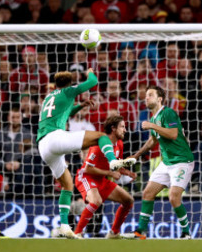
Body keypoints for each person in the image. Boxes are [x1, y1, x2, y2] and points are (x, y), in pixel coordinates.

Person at [37, 69, 135, 239]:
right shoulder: (68, 91)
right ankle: (113, 161)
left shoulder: (49, 97)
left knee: (67, 185)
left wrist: (79, 106)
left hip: (43, 145)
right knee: (101, 136)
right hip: (55, 137)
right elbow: (92, 82)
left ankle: (65, 227)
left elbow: (65, 113)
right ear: (69, 83)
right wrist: (90, 71)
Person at [125, 85, 195, 240]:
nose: (146, 97)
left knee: (173, 197)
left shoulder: (167, 113)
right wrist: (136, 156)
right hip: (167, 162)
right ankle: (141, 231)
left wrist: (152, 125)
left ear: (160, 99)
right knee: (147, 193)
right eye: (145, 95)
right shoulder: (154, 117)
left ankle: (186, 233)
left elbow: (173, 134)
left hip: (182, 161)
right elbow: (152, 141)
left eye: (150, 95)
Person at [73, 115, 136, 238]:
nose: (125, 130)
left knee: (128, 201)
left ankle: (114, 233)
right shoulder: (98, 145)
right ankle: (77, 233)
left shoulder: (120, 144)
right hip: (85, 177)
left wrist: (126, 172)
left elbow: (115, 165)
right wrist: (110, 173)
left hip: (101, 179)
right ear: (113, 128)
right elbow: (88, 168)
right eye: (122, 127)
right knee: (96, 201)